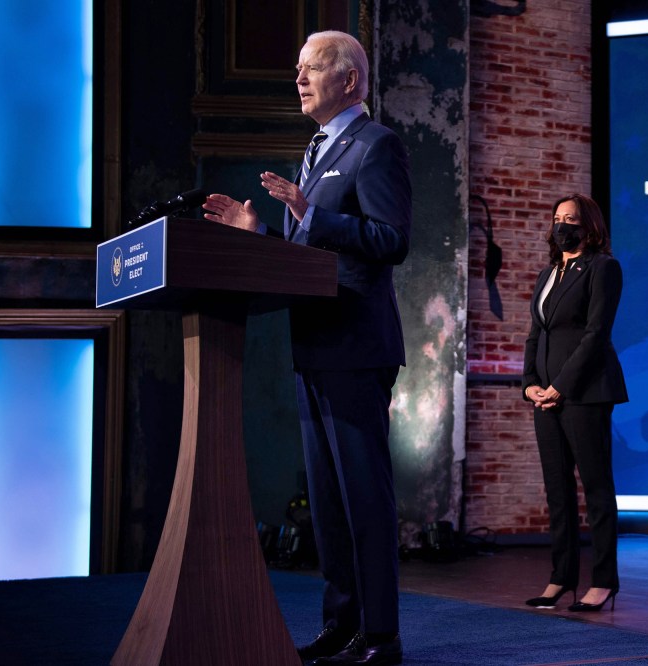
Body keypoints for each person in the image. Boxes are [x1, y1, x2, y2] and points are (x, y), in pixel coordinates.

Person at [202, 30, 411, 666]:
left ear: (349, 79)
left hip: (355, 346)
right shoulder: (315, 153)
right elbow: (306, 258)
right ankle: (341, 626)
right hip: (313, 345)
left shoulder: (376, 145)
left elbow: (391, 239)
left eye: (311, 68)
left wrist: (309, 216)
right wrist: (262, 232)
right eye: (297, 68)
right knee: (326, 504)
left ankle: (381, 638)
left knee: (363, 500)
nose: (298, 78)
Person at [521, 193, 628, 614]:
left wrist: (560, 386)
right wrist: (530, 383)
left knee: (596, 488)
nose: (562, 224)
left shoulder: (603, 268)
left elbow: (595, 334)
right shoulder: (549, 272)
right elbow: (536, 333)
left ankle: (603, 582)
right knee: (558, 491)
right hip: (544, 396)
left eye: (571, 219)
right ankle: (560, 578)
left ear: (590, 227)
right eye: (557, 218)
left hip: (585, 392)